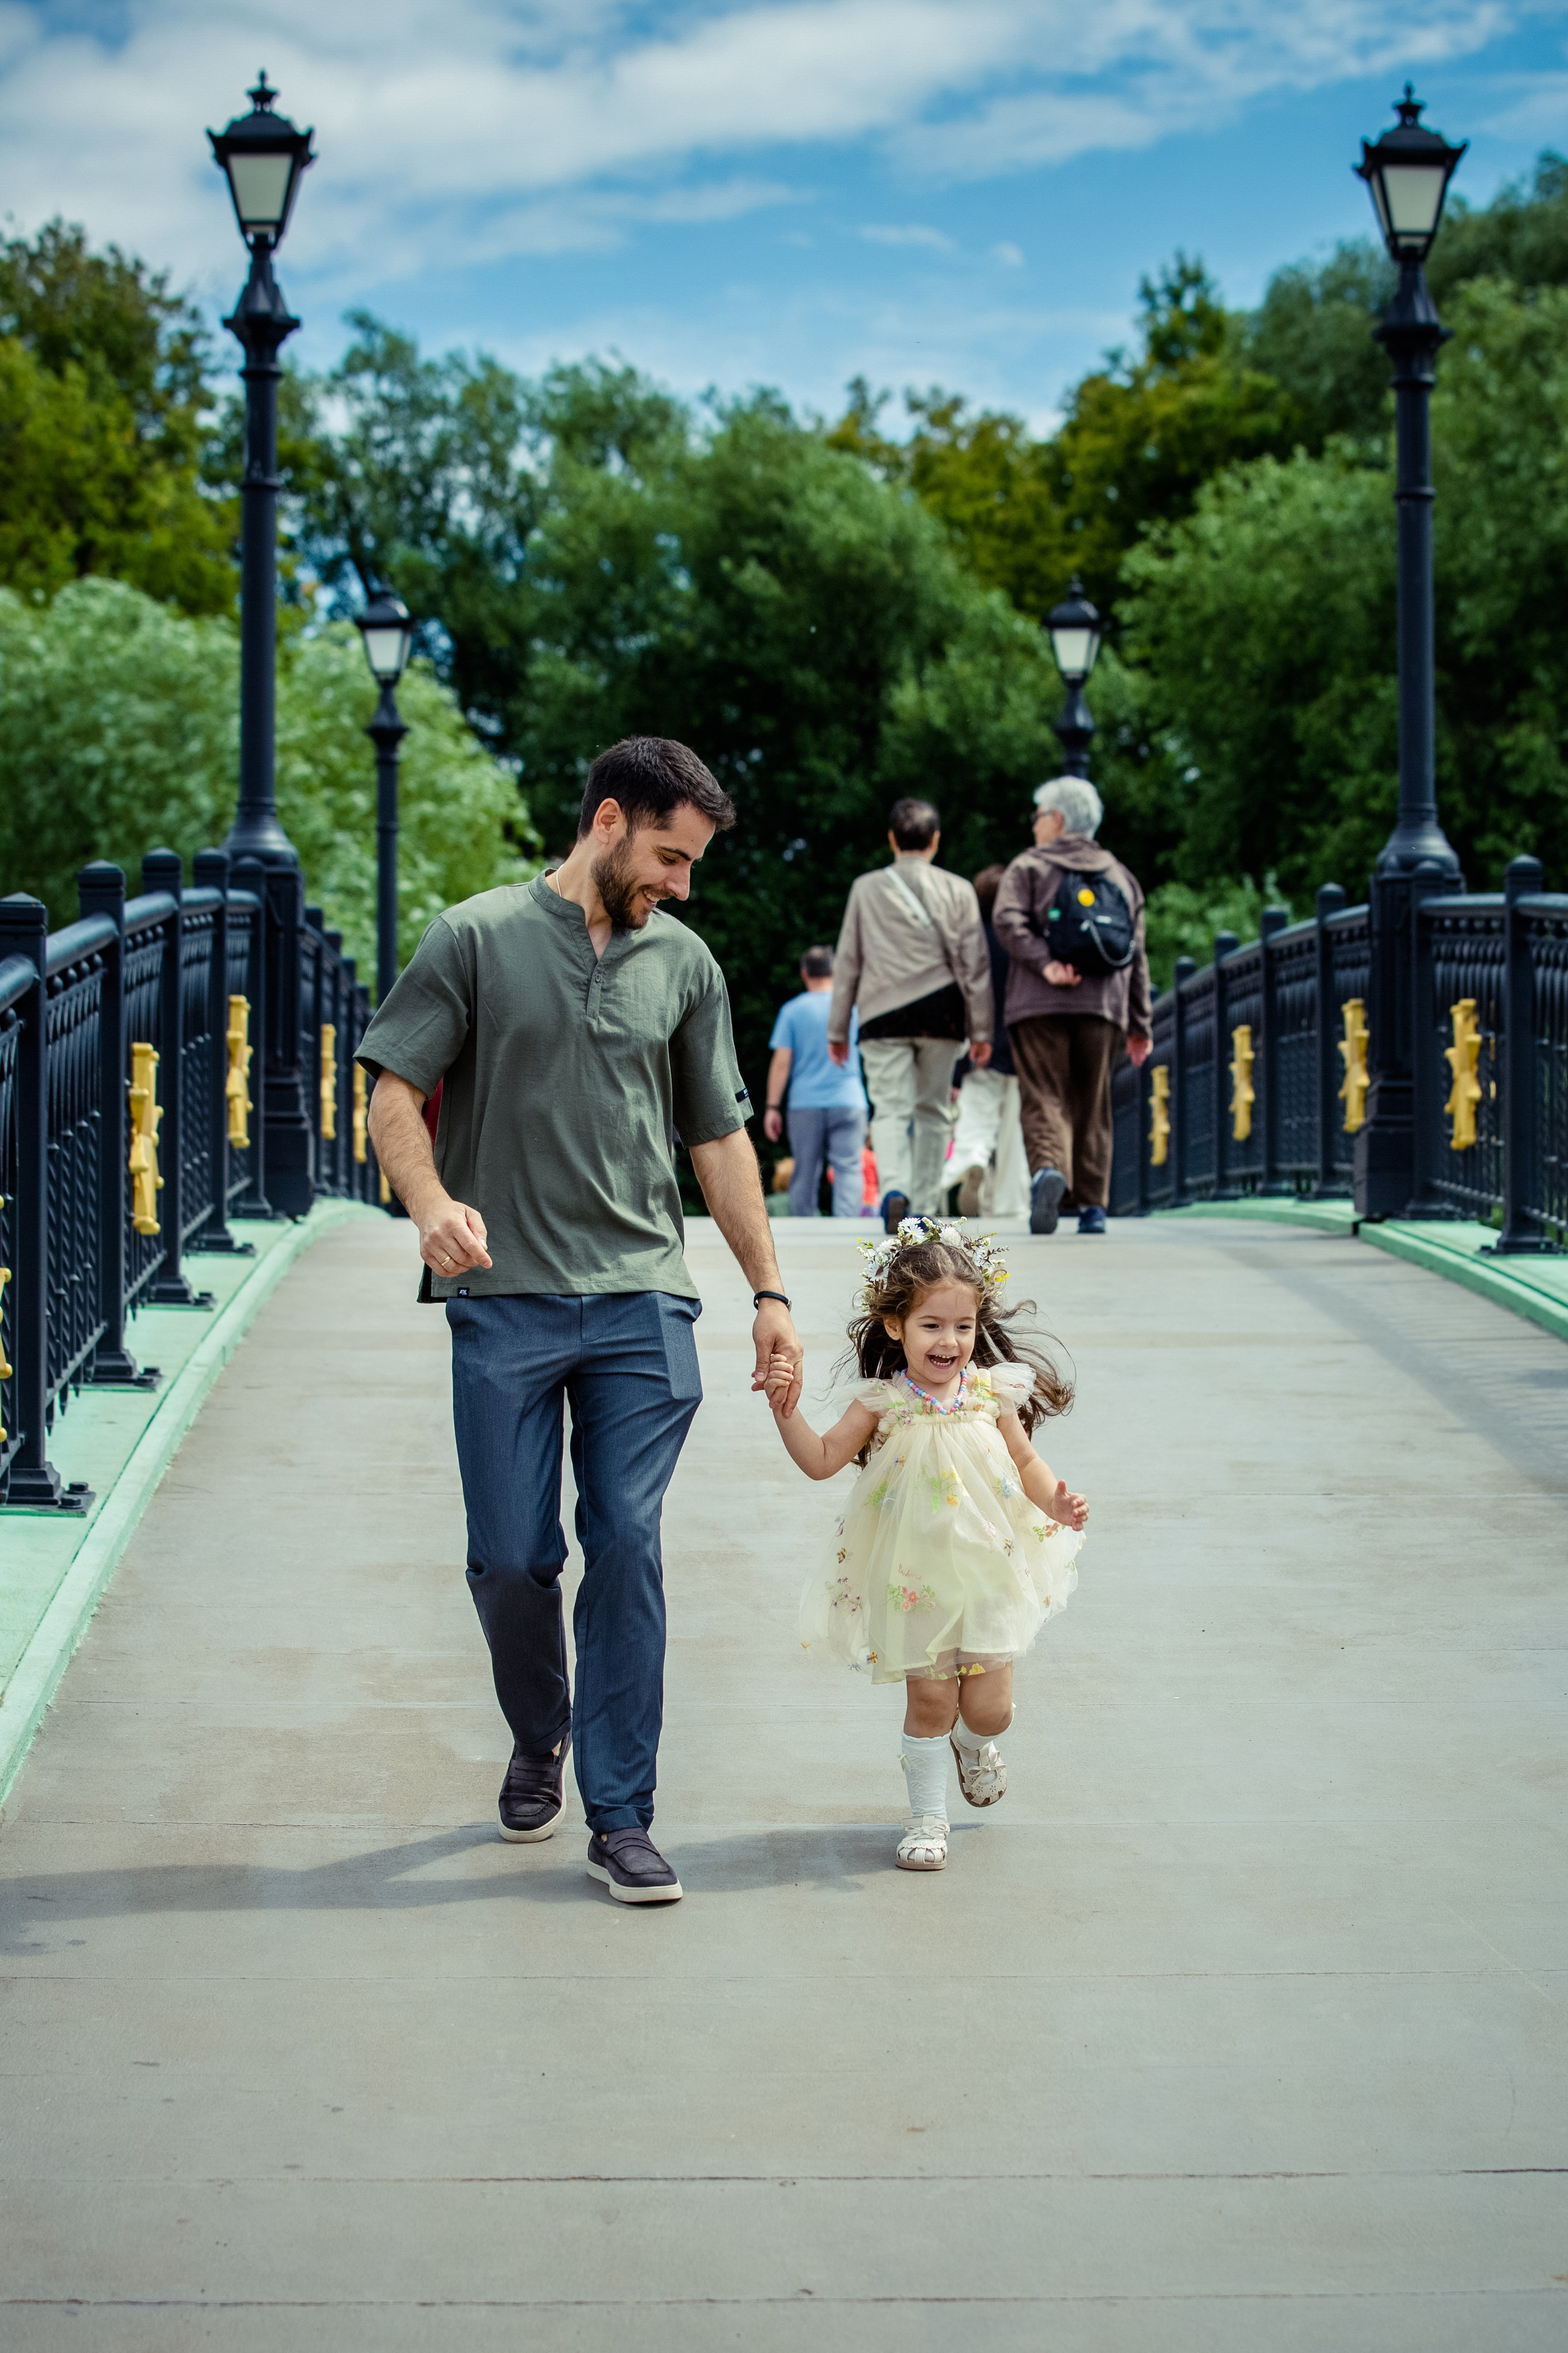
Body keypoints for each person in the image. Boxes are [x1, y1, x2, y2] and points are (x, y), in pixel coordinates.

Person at [360, 736, 804, 1908]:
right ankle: (539, 1728)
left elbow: (719, 1139)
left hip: (642, 1299)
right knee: (513, 1558)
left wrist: (768, 1292)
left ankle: (622, 1816)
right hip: (501, 1294)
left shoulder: (687, 965)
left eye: (693, 863)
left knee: (628, 1541)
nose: (681, 884)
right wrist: (429, 1203)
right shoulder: (473, 937)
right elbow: (393, 1092)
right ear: (608, 821)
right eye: (669, 856)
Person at [763, 1220, 1087, 1873]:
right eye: (932, 1325)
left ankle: (972, 1744)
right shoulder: (883, 1402)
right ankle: (927, 1819)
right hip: (916, 1580)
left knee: (990, 1712)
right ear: (895, 1325)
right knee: (930, 1702)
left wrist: (1053, 1501)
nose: (950, 1341)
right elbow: (822, 1460)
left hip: (989, 1572)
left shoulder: (992, 1393)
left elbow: (1026, 1462)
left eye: (963, 1326)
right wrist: (784, 1410)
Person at [991, 777, 1153, 1238]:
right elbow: (1137, 952)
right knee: (1093, 1102)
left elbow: (1006, 920)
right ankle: (1093, 1207)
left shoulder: (1029, 866)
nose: (1034, 824)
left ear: (1057, 819)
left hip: (1039, 1004)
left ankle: (1048, 1170)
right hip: (1103, 1004)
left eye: (1038, 815)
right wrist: (1140, 1022)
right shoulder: (1120, 876)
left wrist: (1045, 963)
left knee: (1045, 1094)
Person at [827, 798, 993, 1233]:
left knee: (889, 1110)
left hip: (882, 1013)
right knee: (933, 1111)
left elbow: (849, 960)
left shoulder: (866, 888)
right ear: (935, 840)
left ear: (892, 839)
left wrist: (838, 1028)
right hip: (943, 1012)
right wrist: (982, 1029)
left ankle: (893, 1190)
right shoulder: (959, 889)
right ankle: (925, 1203)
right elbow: (975, 964)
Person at [948, 865, 1030, 1219]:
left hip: (979, 1043)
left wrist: (956, 1069)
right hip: (1022, 1046)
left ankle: (971, 1162)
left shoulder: (971, 940)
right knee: (1016, 1131)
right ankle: (1012, 1204)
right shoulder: (1022, 941)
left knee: (976, 1120)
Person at [763, 946, 867, 1218]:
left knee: (805, 1170)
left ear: (804, 974)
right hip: (849, 1099)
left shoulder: (792, 1011)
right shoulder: (853, 1009)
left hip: (805, 1103)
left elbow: (782, 1062)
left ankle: (804, 1228)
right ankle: (849, 1229)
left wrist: (772, 1107)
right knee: (849, 1168)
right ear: (834, 972)